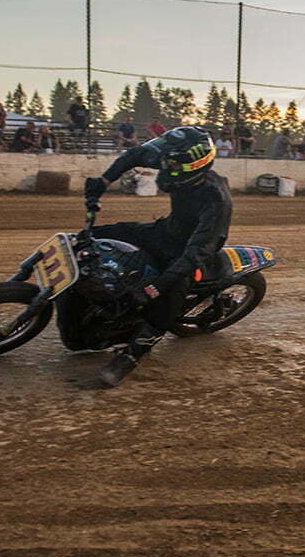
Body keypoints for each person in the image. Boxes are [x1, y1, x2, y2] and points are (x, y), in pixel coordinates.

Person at [83, 126, 232, 387]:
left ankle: (130, 356)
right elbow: (134, 155)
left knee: (166, 300)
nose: (164, 166)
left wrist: (153, 289)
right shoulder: (176, 161)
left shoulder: (215, 201)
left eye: (170, 163)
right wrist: (103, 182)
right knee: (94, 234)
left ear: (192, 166)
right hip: (164, 231)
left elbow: (194, 253)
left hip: (189, 251)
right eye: (165, 160)